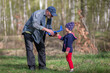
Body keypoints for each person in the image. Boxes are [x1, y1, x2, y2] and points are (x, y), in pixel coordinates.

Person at [22, 6, 57, 70]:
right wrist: (47, 30)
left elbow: (49, 27)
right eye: (51, 14)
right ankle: (31, 66)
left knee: (41, 48)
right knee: (30, 49)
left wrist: (51, 33)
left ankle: (42, 66)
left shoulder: (49, 17)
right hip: (29, 32)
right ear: (47, 11)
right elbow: (35, 25)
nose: (52, 16)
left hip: (38, 33)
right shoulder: (38, 14)